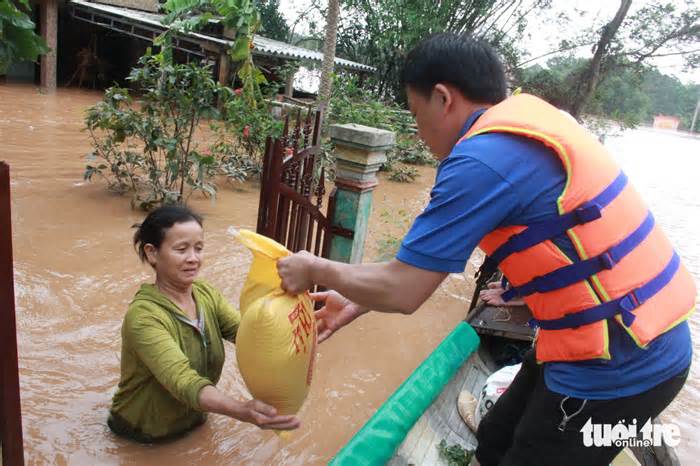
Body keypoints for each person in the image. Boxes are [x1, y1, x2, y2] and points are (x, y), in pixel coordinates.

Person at [277, 33, 694, 465]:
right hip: (626, 340)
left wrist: (313, 267)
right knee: (496, 437)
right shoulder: (526, 126)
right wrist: (357, 298)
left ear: (443, 98)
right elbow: (424, 268)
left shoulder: (480, 161)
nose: (420, 134)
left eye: (417, 114)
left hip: (619, 366)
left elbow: (404, 291)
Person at [108, 204, 299, 443]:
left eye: (199, 248)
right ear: (152, 253)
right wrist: (242, 410)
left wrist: (295, 327)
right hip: (142, 435)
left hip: (195, 422)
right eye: (181, 249)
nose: (193, 259)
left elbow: (247, 336)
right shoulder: (144, 317)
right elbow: (183, 381)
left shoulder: (205, 294)